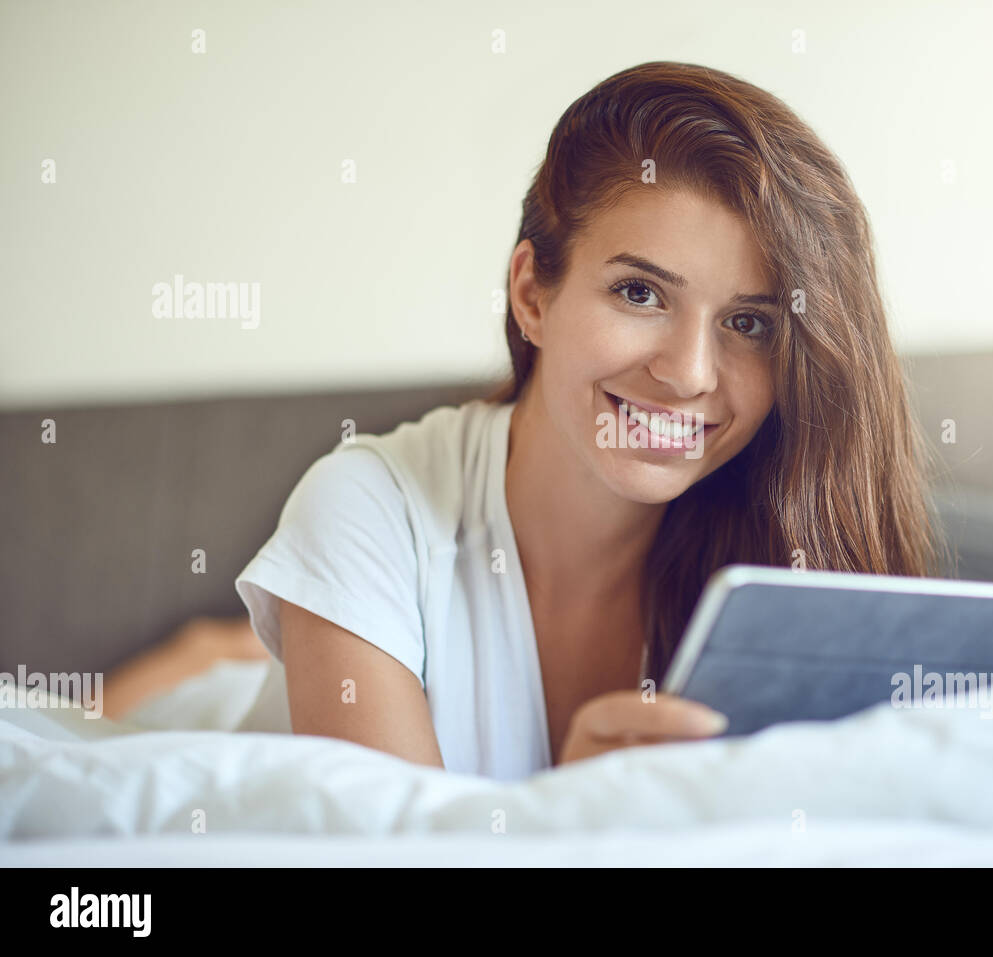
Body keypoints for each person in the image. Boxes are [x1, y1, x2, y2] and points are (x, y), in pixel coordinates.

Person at [114, 61, 940, 779]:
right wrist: (568, 813)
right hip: (198, 726)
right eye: (640, 293)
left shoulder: (782, 544)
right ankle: (209, 653)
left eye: (749, 322)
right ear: (531, 294)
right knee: (160, 702)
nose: (689, 374)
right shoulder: (360, 507)